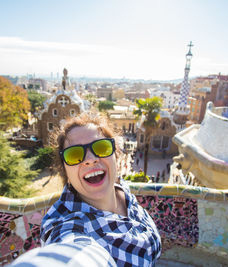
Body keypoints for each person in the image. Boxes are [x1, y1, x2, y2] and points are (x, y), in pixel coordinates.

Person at [14, 113, 161, 266]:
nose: (90, 159)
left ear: (116, 155)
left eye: (101, 147)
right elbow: (73, 253)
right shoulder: (68, 225)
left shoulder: (122, 188)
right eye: (74, 154)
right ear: (65, 171)